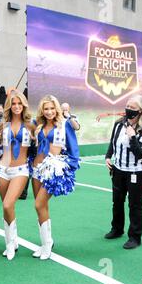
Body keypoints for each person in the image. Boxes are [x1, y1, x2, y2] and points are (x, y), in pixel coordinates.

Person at [31, 95, 79, 260]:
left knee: (39, 204)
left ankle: (48, 243)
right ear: (42, 111)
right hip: (36, 169)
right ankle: (44, 242)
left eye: (52, 108)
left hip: (53, 170)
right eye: (46, 109)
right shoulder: (38, 125)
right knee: (41, 207)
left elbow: (73, 148)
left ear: (57, 109)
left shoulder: (64, 125)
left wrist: (70, 168)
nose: (49, 111)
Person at [104, 95, 142, 249]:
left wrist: (132, 137)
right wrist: (108, 157)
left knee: (135, 204)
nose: (129, 110)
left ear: (140, 110)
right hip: (119, 169)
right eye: (127, 106)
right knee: (117, 201)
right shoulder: (119, 124)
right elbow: (113, 142)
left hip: (137, 172)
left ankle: (135, 237)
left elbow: (141, 156)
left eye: (133, 108)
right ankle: (117, 229)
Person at [0, 90, 33, 260]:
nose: (17, 106)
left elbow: (49, 131)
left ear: (24, 105)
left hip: (21, 170)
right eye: (13, 103)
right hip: (2, 169)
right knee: (7, 207)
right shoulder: (2, 124)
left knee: (8, 205)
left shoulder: (31, 124)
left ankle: (10, 245)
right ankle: (12, 241)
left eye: (19, 103)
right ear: (9, 105)